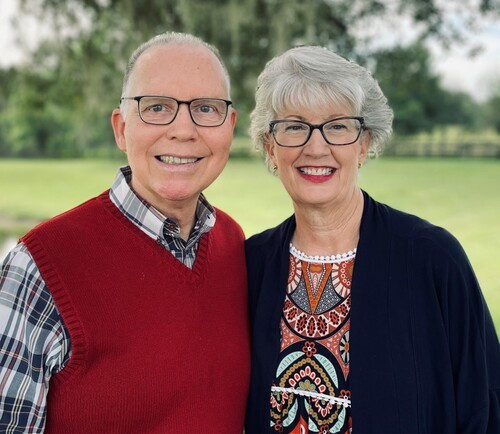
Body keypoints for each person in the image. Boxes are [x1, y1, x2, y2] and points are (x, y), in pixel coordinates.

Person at [0, 32, 250, 433]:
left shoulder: (234, 244)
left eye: (206, 108)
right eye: (157, 107)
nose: (183, 130)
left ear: (230, 128)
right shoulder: (39, 266)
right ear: (121, 128)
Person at [244, 45, 500, 433]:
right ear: (270, 146)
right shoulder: (251, 265)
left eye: (338, 126)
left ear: (364, 145)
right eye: (294, 126)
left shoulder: (431, 258)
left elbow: (484, 406)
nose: (316, 147)